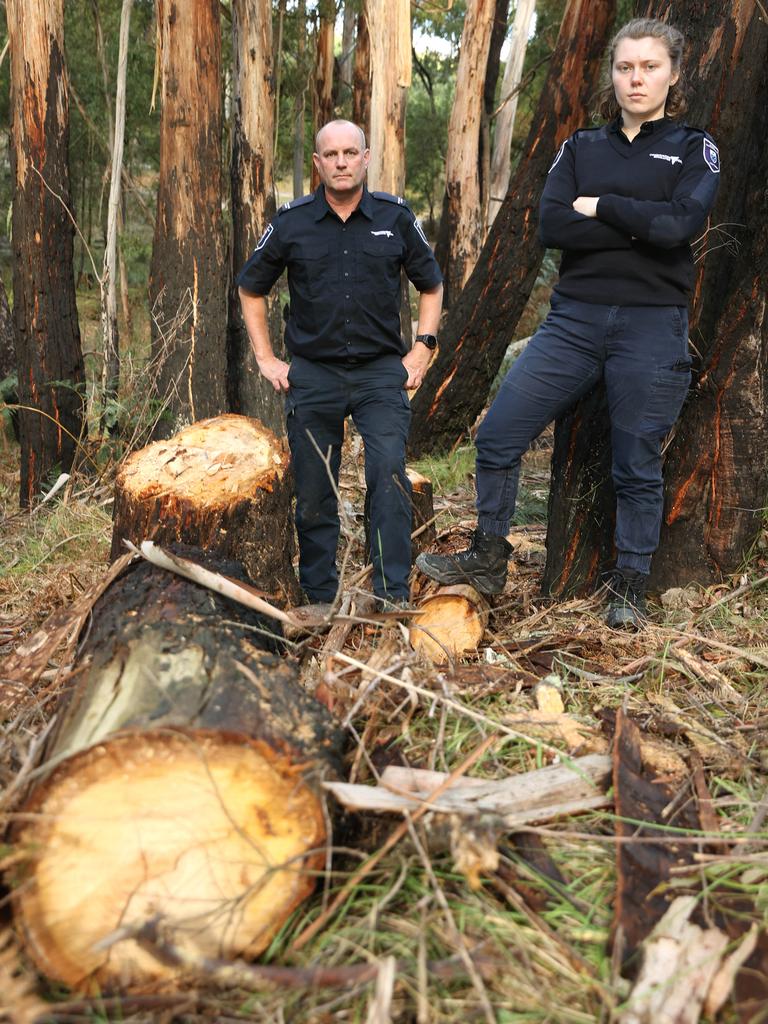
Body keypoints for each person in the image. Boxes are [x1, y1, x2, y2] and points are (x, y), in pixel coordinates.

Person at [416, 18, 720, 628]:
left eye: (650, 67)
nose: (637, 78)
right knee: (498, 434)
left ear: (674, 73)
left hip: (652, 325)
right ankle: (488, 557)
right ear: (612, 74)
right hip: (573, 322)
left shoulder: (694, 147)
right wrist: (638, 220)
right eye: (625, 67)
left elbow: (677, 228)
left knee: (635, 461)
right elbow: (553, 224)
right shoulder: (580, 147)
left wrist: (602, 205)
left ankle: (630, 583)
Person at [238, 120, 443, 607]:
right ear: (318, 163)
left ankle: (392, 596)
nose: (342, 161)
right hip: (313, 376)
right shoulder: (292, 222)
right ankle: (318, 596)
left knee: (389, 477)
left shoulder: (394, 217)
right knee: (313, 490)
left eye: (351, 152)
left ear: (366, 158)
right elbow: (251, 287)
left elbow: (431, 284)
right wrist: (266, 359)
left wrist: (423, 348)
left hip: (379, 374)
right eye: (331, 155)